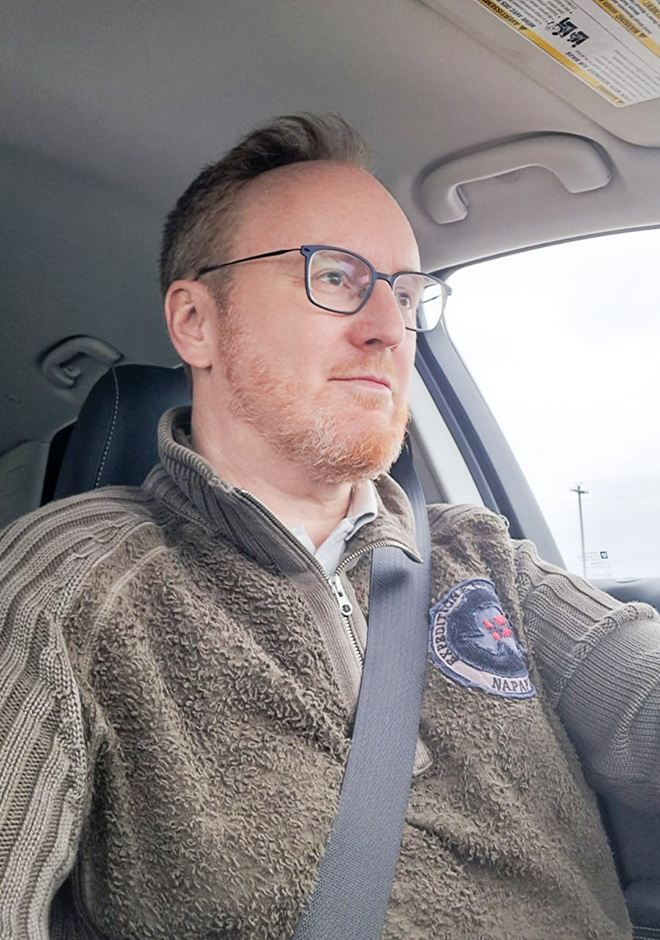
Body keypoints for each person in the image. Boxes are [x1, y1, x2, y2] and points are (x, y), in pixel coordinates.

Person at [0, 114, 658, 940]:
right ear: (196, 322)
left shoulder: (485, 557)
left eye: (407, 294)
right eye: (336, 276)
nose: (389, 328)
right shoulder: (66, 585)